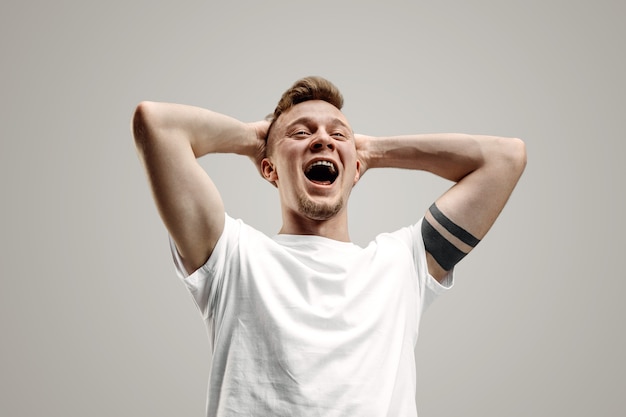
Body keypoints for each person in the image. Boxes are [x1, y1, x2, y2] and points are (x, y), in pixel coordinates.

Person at [132, 76, 526, 416]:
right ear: (268, 168)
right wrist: (257, 138)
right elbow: (157, 124)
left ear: (356, 169)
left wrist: (372, 151)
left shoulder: (403, 263)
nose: (322, 139)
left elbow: (505, 158)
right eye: (301, 133)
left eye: (338, 134)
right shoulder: (231, 256)